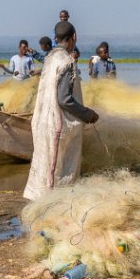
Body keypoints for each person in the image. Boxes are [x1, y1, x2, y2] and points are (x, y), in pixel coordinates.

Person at [23, 21, 99, 200]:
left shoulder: (50, 59)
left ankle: (41, 206)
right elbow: (65, 100)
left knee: (44, 168)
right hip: (58, 127)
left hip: (42, 122)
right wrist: (88, 114)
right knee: (58, 173)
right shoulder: (66, 61)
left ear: (56, 38)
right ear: (74, 37)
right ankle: (52, 207)